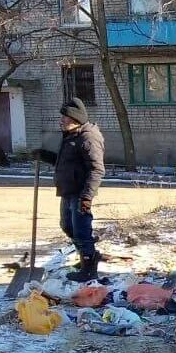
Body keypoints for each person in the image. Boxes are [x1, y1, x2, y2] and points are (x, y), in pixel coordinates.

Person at [37, 98, 106, 282]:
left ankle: (89, 268)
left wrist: (87, 197)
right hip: (68, 191)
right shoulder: (70, 136)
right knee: (68, 226)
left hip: (80, 193)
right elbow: (67, 163)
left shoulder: (88, 137)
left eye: (65, 118)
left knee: (81, 230)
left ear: (75, 119)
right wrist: (45, 156)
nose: (61, 121)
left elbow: (96, 169)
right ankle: (88, 257)